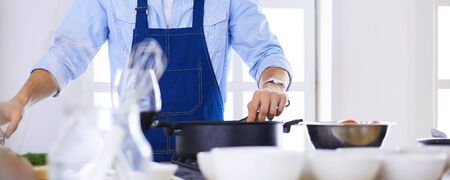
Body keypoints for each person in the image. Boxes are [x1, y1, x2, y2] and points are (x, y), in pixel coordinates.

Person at [0, 0, 293, 161]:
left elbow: (267, 52)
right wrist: (21, 100)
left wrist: (273, 86)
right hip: (133, 161)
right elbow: (66, 55)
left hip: (207, 162)